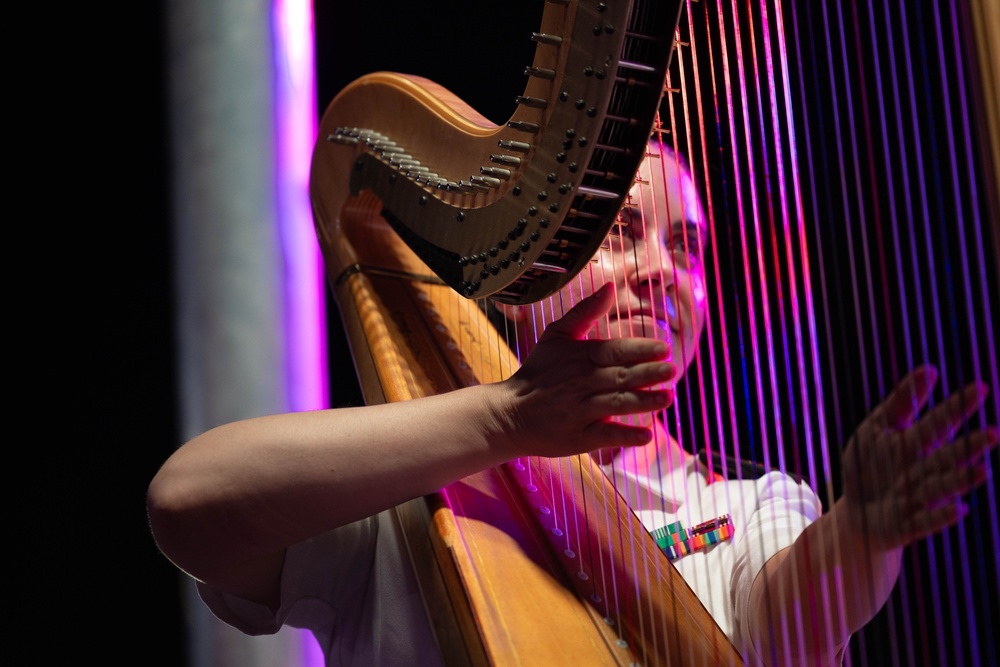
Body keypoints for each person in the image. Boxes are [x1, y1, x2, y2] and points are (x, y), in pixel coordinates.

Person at [147, 138, 997, 666]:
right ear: (526, 283)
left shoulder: (748, 506)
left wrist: (862, 529)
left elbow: (789, 624)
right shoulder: (411, 489)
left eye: (689, 247)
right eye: (623, 233)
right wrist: (505, 418)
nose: (663, 268)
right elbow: (185, 504)